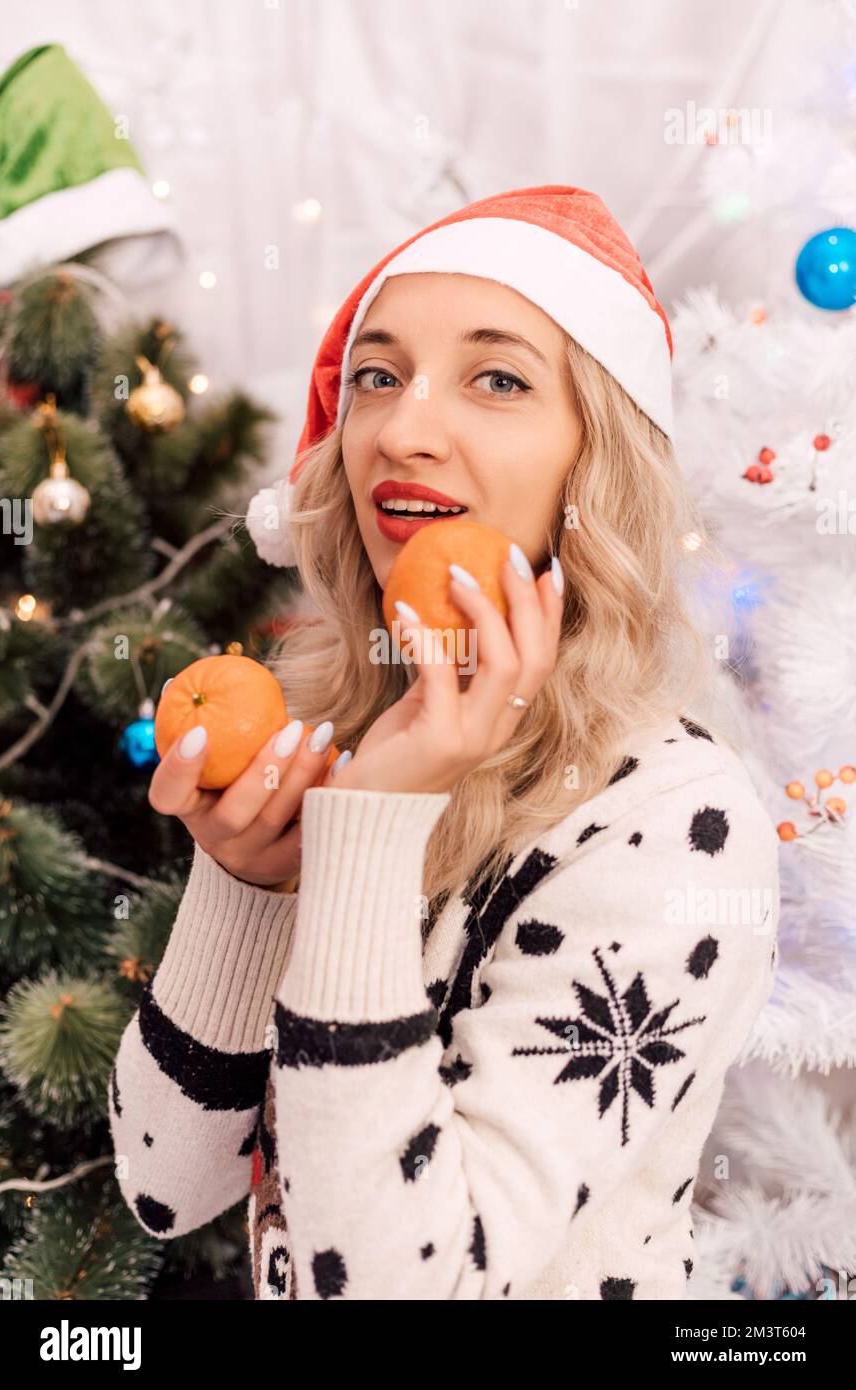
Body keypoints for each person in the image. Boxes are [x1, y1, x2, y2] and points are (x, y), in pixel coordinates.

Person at [108, 186, 780, 1300]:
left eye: (498, 378)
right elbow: (167, 1184)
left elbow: (378, 1283)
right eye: (376, 376)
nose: (402, 428)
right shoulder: (338, 742)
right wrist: (242, 882)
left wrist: (365, 839)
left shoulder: (672, 825)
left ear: (590, 463)